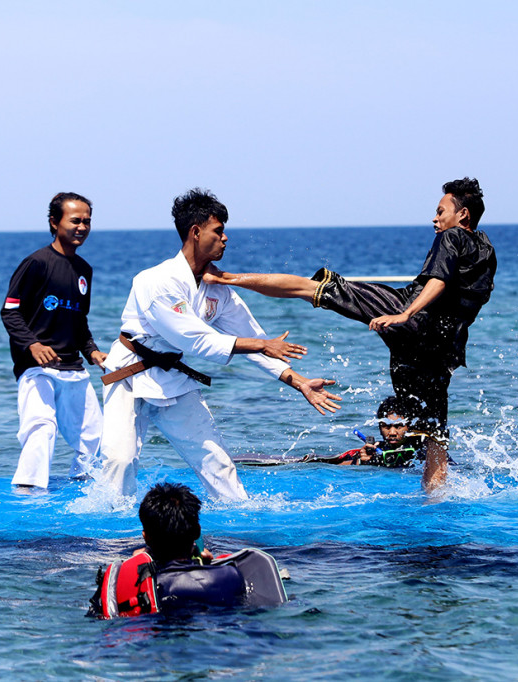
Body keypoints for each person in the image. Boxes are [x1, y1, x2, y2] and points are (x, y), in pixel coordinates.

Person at [204, 178, 496, 491]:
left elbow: (438, 281)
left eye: (440, 211)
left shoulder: (451, 236)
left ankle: (226, 278)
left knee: (315, 289)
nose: (434, 219)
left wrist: (405, 314)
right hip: (441, 349)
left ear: (463, 215)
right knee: (434, 434)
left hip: (411, 319)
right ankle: (435, 504)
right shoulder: (487, 249)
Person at [98, 188, 341, 502]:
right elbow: (194, 339)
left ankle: (240, 516)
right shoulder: (157, 281)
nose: (225, 238)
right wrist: (260, 345)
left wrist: (299, 381)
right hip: (129, 374)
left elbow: (254, 337)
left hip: (173, 377)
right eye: (218, 230)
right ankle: (109, 524)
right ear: (196, 232)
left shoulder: (218, 289)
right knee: (119, 462)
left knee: (217, 462)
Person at [0, 192, 107, 488]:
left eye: (87, 221)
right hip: (36, 368)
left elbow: (79, 320)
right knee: (42, 427)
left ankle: (83, 483)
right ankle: (29, 490)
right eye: (75, 220)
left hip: (72, 366)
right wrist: (32, 344)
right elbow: (9, 311)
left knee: (95, 435)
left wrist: (92, 351)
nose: (82, 227)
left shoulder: (84, 270)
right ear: (54, 222)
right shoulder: (36, 263)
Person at [88, 482, 288, 617]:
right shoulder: (231, 576)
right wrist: (204, 566)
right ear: (197, 531)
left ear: (146, 537)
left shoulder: (144, 584)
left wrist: (140, 564)